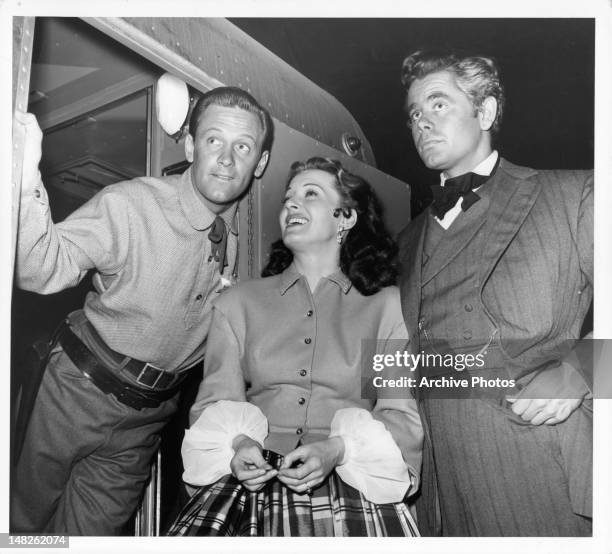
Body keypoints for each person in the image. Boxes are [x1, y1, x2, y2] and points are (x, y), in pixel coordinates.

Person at [11, 86, 272, 535]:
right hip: (74, 391)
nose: (227, 159)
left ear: (260, 163)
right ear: (190, 146)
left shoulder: (247, 246)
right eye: (213, 140)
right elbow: (39, 269)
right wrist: (23, 176)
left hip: (147, 418)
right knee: (20, 529)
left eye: (243, 147)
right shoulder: (131, 204)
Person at [166, 157, 423, 536]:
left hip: (351, 485)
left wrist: (336, 449)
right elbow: (213, 406)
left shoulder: (385, 307)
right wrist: (238, 446)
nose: (291, 204)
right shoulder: (236, 304)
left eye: (311, 194)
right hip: (249, 492)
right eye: (288, 197)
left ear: (345, 218)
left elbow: (401, 417)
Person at [397, 50, 593, 536]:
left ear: (484, 112)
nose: (422, 121)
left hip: (541, 462)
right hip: (443, 488)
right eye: (415, 114)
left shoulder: (572, 194)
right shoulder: (405, 239)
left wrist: (583, 370)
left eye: (438, 104)